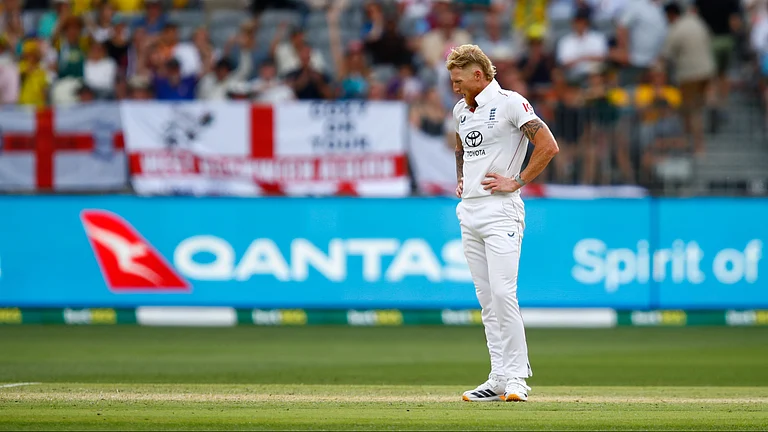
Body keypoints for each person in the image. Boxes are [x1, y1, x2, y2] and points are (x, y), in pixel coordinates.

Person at [447, 44, 559, 402]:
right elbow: (461, 148)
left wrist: (518, 180)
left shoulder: (511, 102)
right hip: (470, 211)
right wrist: (462, 177)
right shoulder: (461, 110)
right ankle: (497, 378)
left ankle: (517, 380)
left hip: (502, 210)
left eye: (459, 80)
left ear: (478, 75)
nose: (455, 87)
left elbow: (547, 144)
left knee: (502, 294)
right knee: (486, 301)